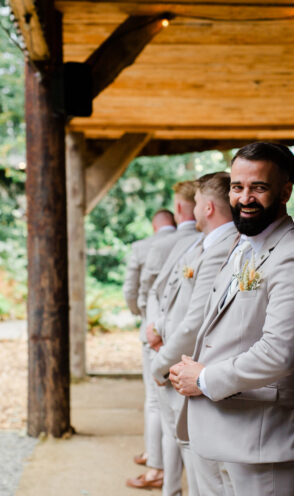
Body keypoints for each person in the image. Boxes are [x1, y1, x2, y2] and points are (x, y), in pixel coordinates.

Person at [169, 142, 294, 495]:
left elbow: (278, 352)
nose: (245, 198)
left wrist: (205, 378)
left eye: (259, 187)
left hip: (264, 439)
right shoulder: (245, 247)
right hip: (225, 427)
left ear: (285, 191)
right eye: (237, 187)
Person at [149, 172, 237, 496]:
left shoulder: (220, 248)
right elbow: (174, 297)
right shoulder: (203, 243)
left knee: (205, 471)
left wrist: (160, 362)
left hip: (188, 365)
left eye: (197, 201)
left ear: (209, 207)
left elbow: (196, 319)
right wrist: (158, 328)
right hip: (177, 360)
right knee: (189, 451)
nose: (193, 207)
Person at [128, 181, 200, 490]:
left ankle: (156, 466)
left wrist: (145, 320)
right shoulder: (201, 240)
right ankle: (164, 473)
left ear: (181, 208)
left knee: (156, 400)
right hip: (187, 337)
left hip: (157, 334)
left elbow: (137, 292)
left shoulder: (150, 246)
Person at [123, 210, 176, 319]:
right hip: (179, 317)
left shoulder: (140, 247)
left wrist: (140, 312)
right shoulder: (190, 241)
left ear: (154, 226)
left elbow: (130, 287)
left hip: (150, 315)